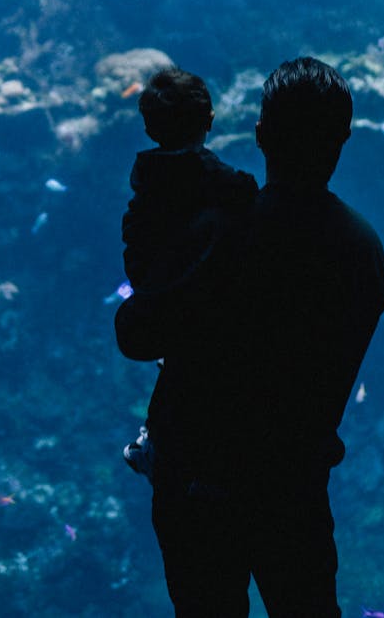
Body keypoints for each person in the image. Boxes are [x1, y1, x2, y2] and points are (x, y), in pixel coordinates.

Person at [116, 56, 384, 618]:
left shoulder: (225, 230)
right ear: (342, 140)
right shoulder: (364, 252)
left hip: (198, 489)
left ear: (261, 134)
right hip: (294, 494)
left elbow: (136, 334)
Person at [120, 66, 257, 478]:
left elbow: (137, 257)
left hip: (161, 311)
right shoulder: (229, 187)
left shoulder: (145, 188)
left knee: (175, 371)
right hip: (215, 318)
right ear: (210, 122)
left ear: (148, 126)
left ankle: (154, 442)